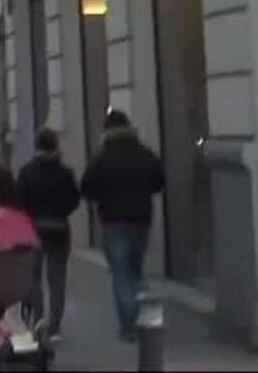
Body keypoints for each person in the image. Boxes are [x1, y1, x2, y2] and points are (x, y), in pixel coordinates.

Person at [79, 110, 166, 341]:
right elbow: (159, 181)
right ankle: (147, 319)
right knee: (136, 270)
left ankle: (130, 326)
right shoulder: (144, 153)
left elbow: (87, 187)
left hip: (114, 221)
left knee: (121, 274)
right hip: (141, 220)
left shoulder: (102, 157)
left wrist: (103, 196)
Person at [17, 128, 81, 339]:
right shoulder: (65, 172)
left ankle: (38, 320)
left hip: (33, 229)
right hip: (59, 229)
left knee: (33, 277)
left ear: (37, 147)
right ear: (56, 146)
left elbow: (20, 201)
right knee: (57, 279)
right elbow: (74, 200)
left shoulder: (26, 171)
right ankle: (54, 326)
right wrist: (60, 212)